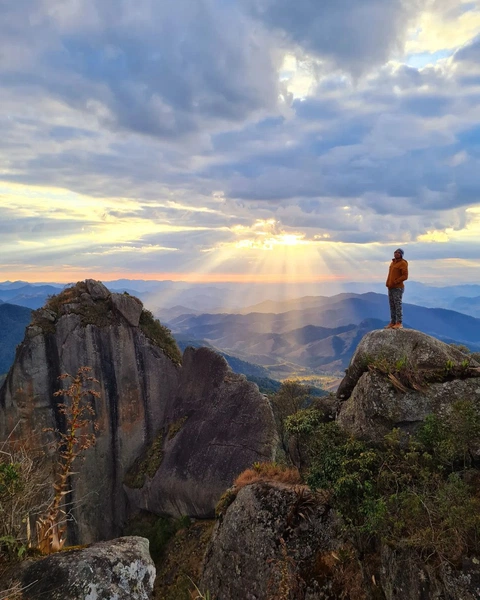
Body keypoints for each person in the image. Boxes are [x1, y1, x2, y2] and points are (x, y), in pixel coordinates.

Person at [385, 248, 408, 329]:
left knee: (397, 305)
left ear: (401, 254)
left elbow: (405, 276)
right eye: (395, 252)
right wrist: (388, 283)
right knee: (392, 305)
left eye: (398, 252)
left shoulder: (403, 263)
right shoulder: (392, 263)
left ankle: (399, 322)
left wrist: (396, 281)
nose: (396, 253)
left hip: (398, 287)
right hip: (390, 287)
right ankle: (393, 322)